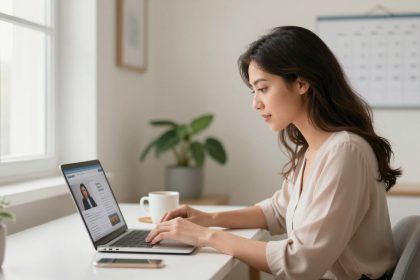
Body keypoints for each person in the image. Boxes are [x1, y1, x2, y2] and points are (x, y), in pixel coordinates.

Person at [145, 26, 401, 280]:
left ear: (301, 83)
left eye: (263, 88)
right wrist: (208, 218)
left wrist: (205, 236)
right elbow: (278, 211)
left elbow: (301, 263)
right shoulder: (313, 149)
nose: (255, 103)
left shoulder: (344, 151)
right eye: (254, 91)